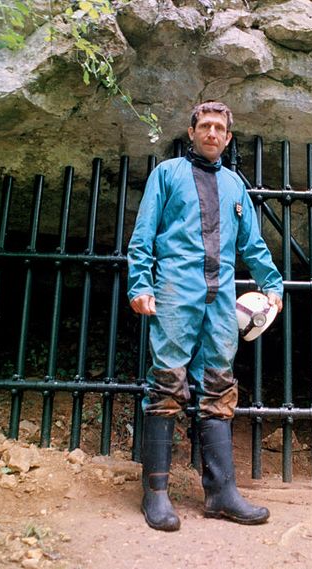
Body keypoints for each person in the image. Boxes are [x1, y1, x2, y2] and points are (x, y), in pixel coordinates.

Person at [127, 101, 283, 532]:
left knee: (218, 386)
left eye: (220, 128)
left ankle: (220, 493)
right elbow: (144, 235)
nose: (212, 133)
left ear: (228, 138)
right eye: (205, 126)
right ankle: (155, 493)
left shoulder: (235, 186)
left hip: (221, 298)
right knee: (167, 383)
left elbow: (252, 244)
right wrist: (140, 284)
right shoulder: (168, 174)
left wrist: (272, 284)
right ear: (192, 131)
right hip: (176, 291)